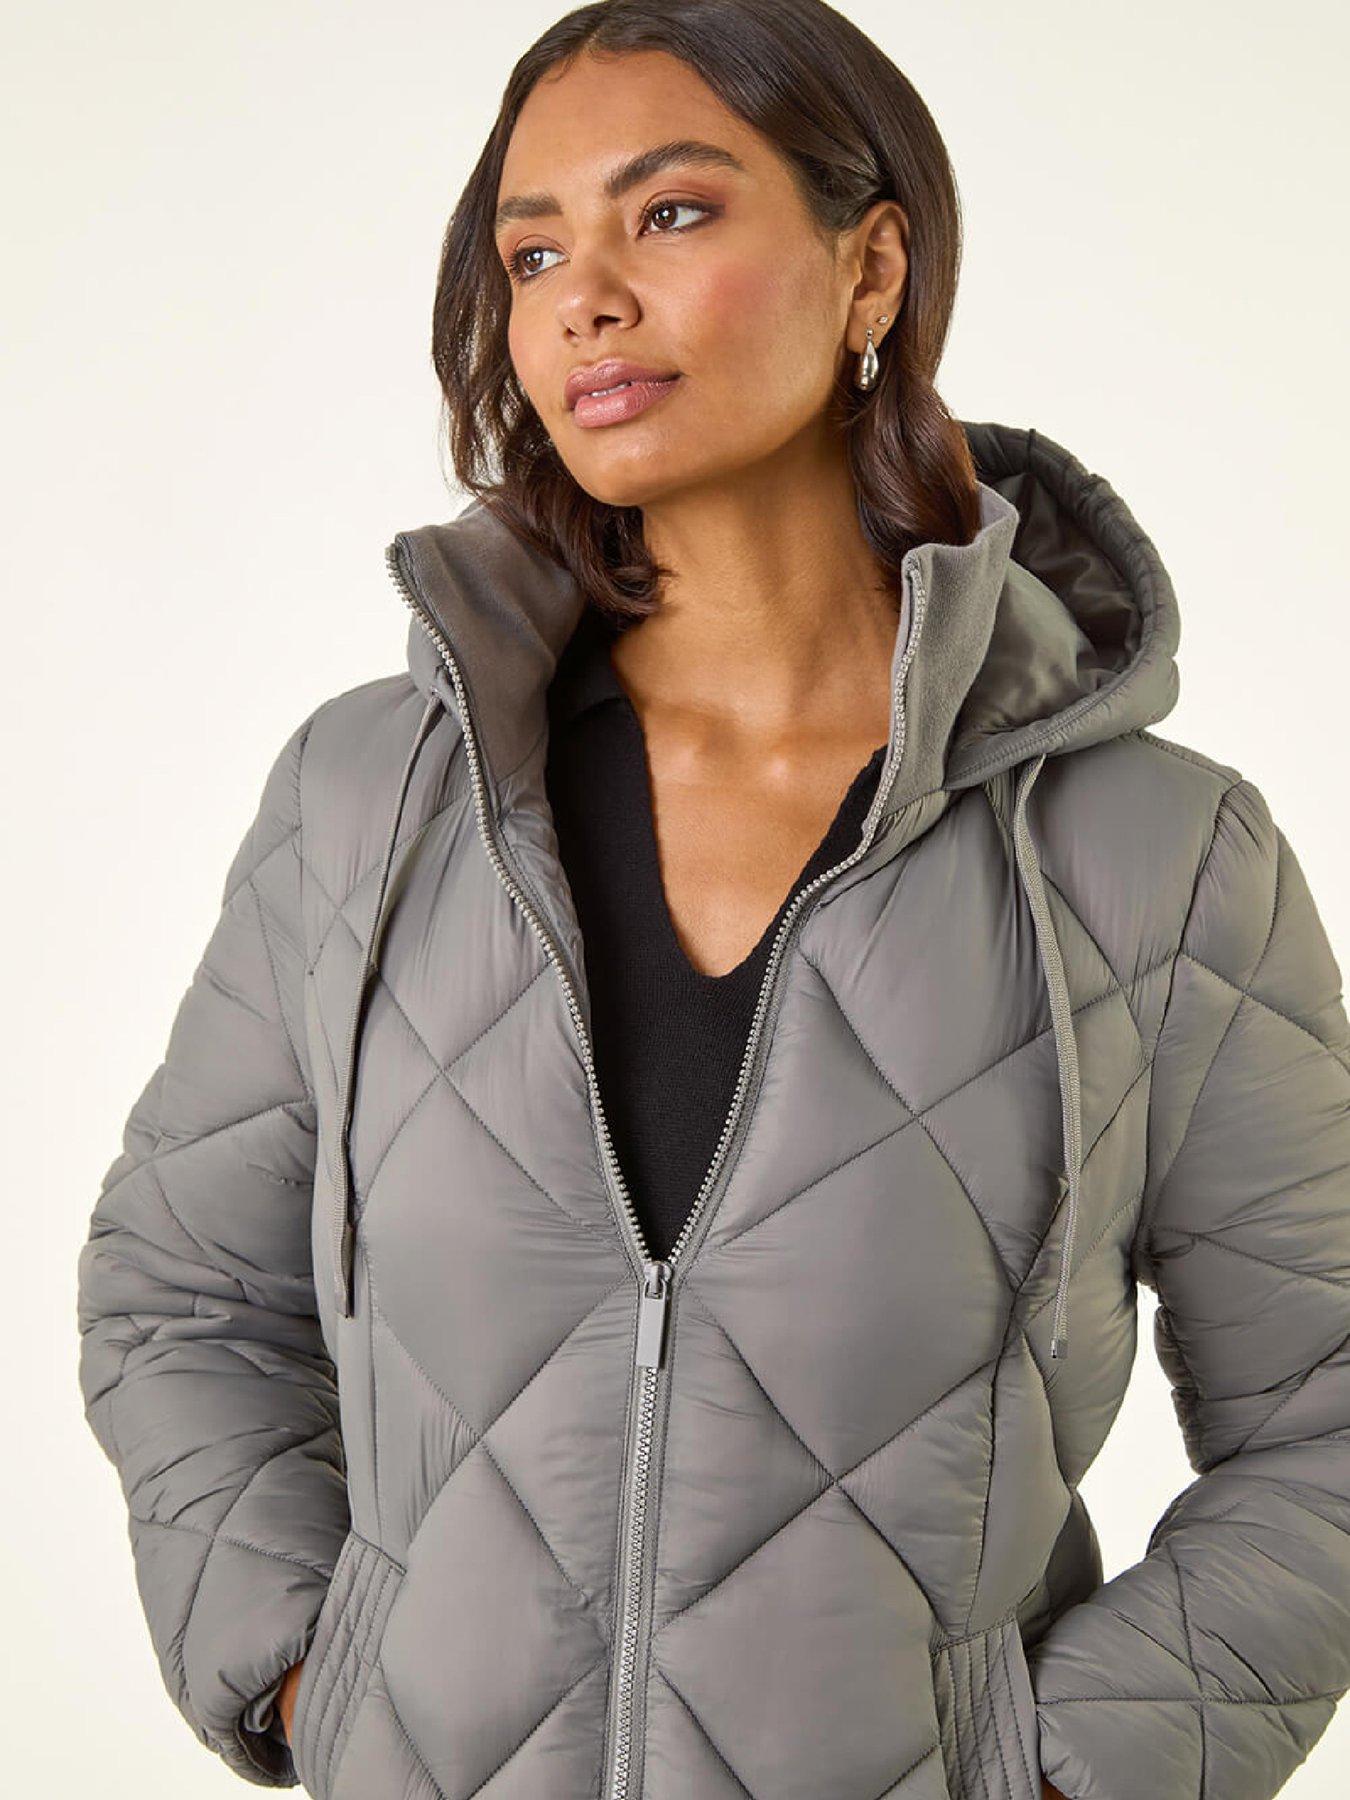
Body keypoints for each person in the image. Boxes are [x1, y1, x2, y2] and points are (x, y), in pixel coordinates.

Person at [76, 3, 1350, 1797]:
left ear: (869, 267)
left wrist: (1051, 1775)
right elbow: (183, 1295)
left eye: (669, 214)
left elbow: (1325, 1416)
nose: (583, 299)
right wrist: (315, 1680)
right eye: (534, 251)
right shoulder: (373, 800)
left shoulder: (1154, 854)